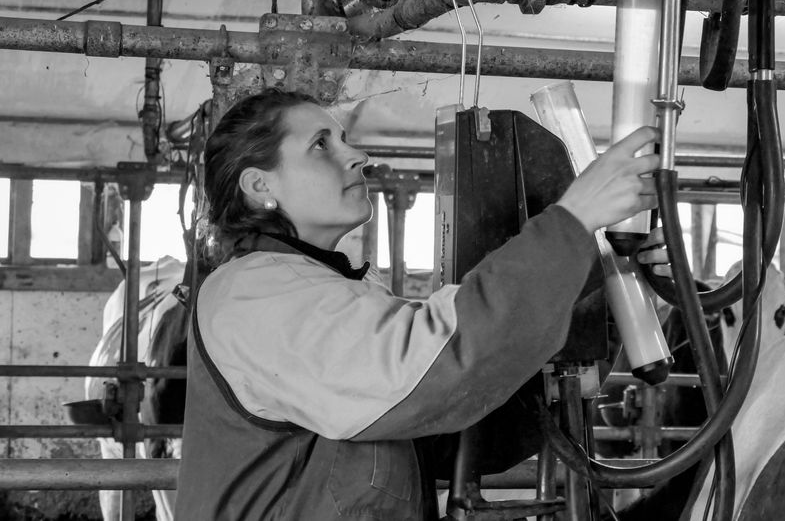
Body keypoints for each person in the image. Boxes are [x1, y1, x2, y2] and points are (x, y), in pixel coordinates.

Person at [175, 88, 661, 520]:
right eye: (321, 144)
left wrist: (602, 274)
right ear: (261, 186)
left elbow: (450, 428)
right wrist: (572, 222)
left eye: (344, 139)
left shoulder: (331, 288)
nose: (358, 155)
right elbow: (439, 366)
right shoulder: (254, 294)